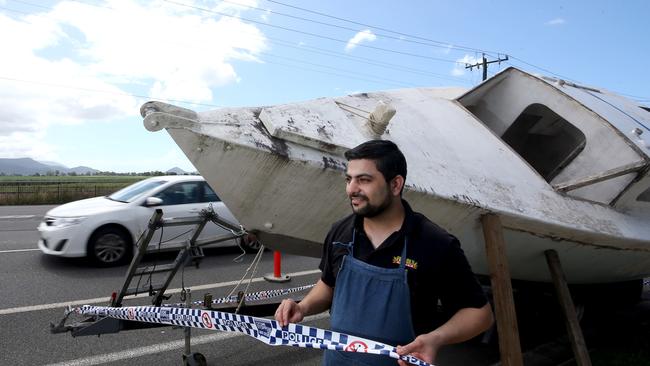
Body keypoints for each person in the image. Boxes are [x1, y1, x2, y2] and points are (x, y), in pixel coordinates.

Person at [275, 140, 493, 365]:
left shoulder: (434, 243)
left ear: (396, 184)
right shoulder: (340, 232)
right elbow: (329, 285)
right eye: (349, 179)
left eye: (364, 180)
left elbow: (480, 315)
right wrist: (302, 307)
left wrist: (436, 339)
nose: (352, 189)